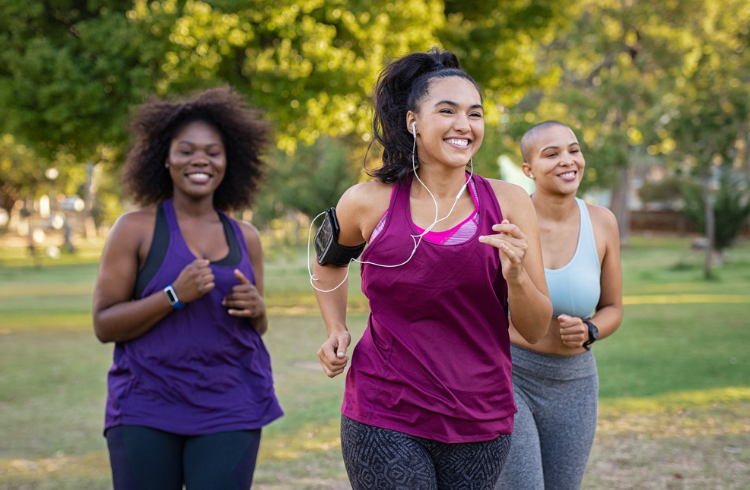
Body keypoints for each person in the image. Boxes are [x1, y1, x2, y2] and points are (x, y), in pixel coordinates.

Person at [312, 48, 553, 490]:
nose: (464, 124)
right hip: (385, 408)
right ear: (412, 122)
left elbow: (535, 328)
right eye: (447, 111)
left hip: (481, 415)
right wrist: (335, 328)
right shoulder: (368, 201)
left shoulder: (511, 203)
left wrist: (516, 276)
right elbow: (327, 262)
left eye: (474, 114)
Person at [92, 86, 283, 490]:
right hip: (146, 405)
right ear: (165, 157)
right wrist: (173, 295)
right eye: (186, 150)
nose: (200, 159)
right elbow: (104, 325)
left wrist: (258, 309)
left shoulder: (245, 236)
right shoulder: (135, 229)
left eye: (213, 152)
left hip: (230, 403)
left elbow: (258, 326)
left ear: (228, 161)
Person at [495, 121, 623, 490]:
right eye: (551, 154)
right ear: (528, 170)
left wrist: (590, 330)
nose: (568, 161)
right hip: (511, 375)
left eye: (574, 150)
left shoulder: (602, 222)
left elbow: (613, 307)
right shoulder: (505, 223)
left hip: (575, 382)